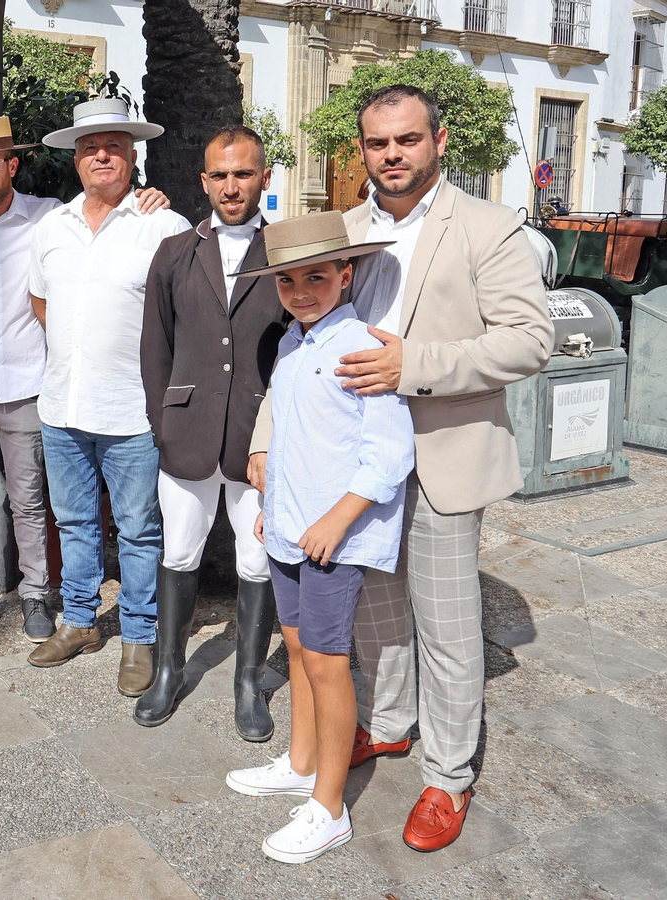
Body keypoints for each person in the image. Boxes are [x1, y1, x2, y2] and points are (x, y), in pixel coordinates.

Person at [249, 84, 552, 851]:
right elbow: (297, 346)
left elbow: (527, 341)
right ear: (363, 150)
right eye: (379, 143)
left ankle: (447, 778)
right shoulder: (340, 231)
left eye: (407, 140)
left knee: (448, 629)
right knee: (373, 624)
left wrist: (412, 365)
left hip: (443, 455)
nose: (392, 155)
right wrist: (263, 440)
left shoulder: (488, 227)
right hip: (342, 469)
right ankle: (383, 727)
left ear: (437, 142)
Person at [0, 115, 175, 643]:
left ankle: (38, 597)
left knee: (31, 499)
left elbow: (54, 298)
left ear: (12, 166)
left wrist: (154, 197)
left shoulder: (45, 218)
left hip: (28, 384)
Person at [223, 211, 410, 865]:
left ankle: (329, 806)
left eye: (318, 277)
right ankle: (303, 761)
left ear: (346, 274)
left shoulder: (361, 346)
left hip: (336, 536)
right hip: (290, 527)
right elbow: (297, 439)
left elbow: (389, 454)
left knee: (329, 662)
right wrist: (274, 503)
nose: (302, 291)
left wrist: (337, 518)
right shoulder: (292, 345)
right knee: (300, 647)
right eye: (289, 280)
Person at [25, 98, 191, 696]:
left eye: (114, 145)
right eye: (91, 146)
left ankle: (139, 636)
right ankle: (78, 622)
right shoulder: (52, 227)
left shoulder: (163, 227)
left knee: (139, 529)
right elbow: (41, 304)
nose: (102, 155)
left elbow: (186, 313)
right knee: (73, 522)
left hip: (132, 411)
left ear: (133, 155)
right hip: (62, 407)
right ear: (75, 158)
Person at [133, 125, 286, 739]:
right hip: (187, 434)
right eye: (220, 175)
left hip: (257, 440)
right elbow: (155, 347)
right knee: (179, 551)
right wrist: (161, 424)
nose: (231, 186)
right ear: (203, 181)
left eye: (243, 173)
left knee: (256, 559)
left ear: (264, 178)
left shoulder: (286, 253)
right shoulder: (174, 252)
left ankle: (248, 682)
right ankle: (170, 670)